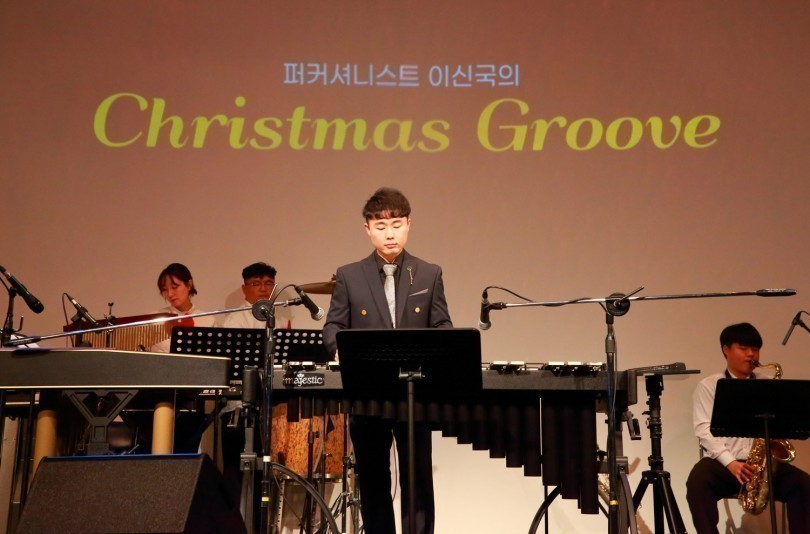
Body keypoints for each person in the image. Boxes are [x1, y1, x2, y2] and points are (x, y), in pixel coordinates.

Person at [323, 187, 452, 534]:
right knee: (373, 480)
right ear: (367, 229)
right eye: (381, 227)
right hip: (368, 394)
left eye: (396, 225)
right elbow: (334, 325)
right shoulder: (349, 274)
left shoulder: (429, 273)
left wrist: (441, 348)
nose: (390, 233)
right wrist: (337, 348)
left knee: (418, 479)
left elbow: (442, 324)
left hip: (415, 395)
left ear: (408, 224)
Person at [685, 322, 810, 533]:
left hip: (761, 466)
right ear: (726, 350)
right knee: (698, 481)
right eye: (743, 348)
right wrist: (730, 463)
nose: (751, 354)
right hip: (725, 464)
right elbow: (703, 430)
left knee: (802, 483)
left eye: (755, 349)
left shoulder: (768, 384)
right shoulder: (710, 385)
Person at [151, 262, 215, 353]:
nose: (170, 294)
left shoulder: (208, 321)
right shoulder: (154, 319)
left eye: (174, 287)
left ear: (189, 284)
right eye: (165, 289)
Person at [220, 261, 293, 329]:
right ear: (244, 289)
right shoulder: (235, 320)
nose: (263, 289)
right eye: (256, 284)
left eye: (268, 283)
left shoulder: (283, 321)